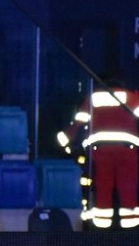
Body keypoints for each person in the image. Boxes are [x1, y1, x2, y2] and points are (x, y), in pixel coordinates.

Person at [57, 77, 139, 228]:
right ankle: (131, 225)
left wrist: (64, 141)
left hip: (100, 150)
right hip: (127, 150)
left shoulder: (93, 98)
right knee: (128, 186)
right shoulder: (132, 96)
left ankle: (102, 226)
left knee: (103, 186)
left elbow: (79, 122)